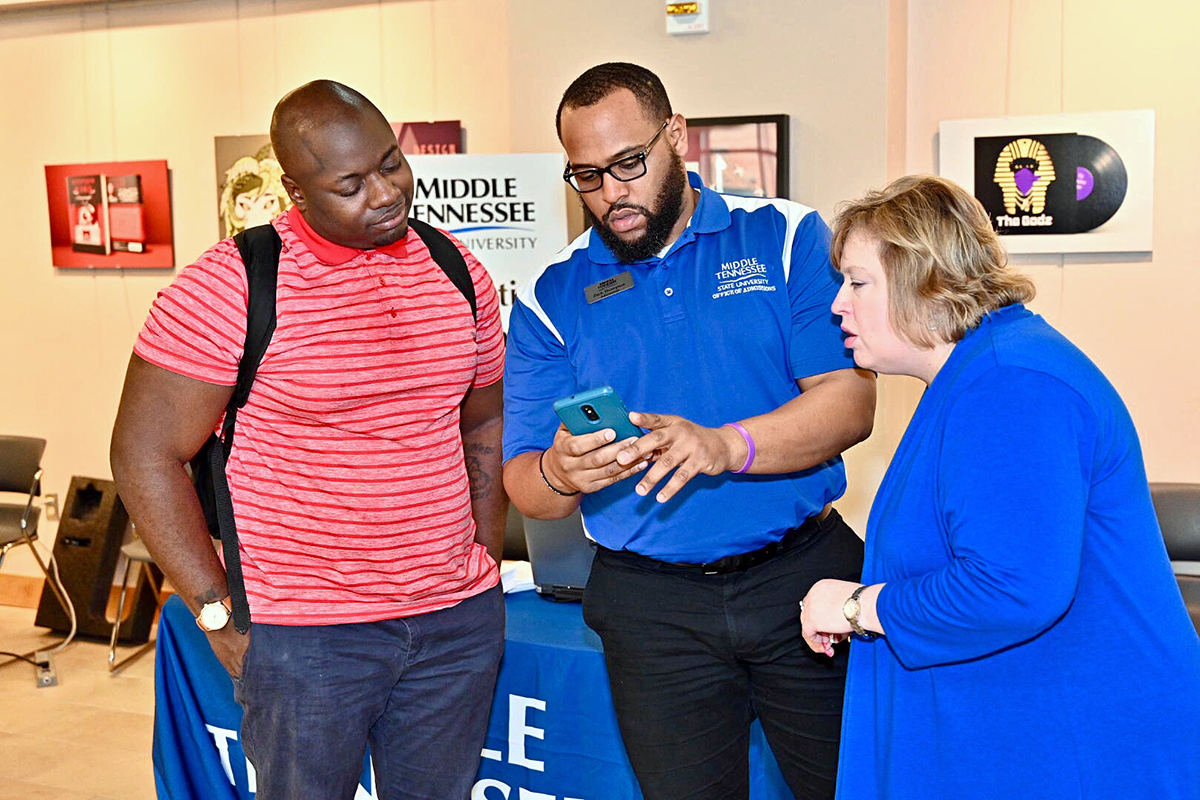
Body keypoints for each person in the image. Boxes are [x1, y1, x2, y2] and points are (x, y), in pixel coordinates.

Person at [110, 80, 507, 800]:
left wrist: (479, 556)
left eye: (391, 163)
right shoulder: (228, 285)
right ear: (295, 190)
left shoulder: (457, 270)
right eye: (350, 184)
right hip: (307, 635)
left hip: (454, 623)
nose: (385, 193)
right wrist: (216, 611)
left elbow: (481, 422)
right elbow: (143, 454)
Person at [502, 62, 876, 799]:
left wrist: (723, 445)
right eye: (586, 176)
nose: (612, 194)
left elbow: (850, 404)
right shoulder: (552, 293)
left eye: (629, 165)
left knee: (854, 786)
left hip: (802, 579)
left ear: (677, 136)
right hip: (651, 608)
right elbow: (524, 485)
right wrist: (561, 473)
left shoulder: (785, 235)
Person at [800, 174, 1200, 799]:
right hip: (1026, 723)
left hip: (1072, 742)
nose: (837, 305)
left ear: (922, 280)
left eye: (857, 282)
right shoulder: (976, 375)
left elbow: (1012, 588)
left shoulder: (1010, 387)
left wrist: (858, 607)